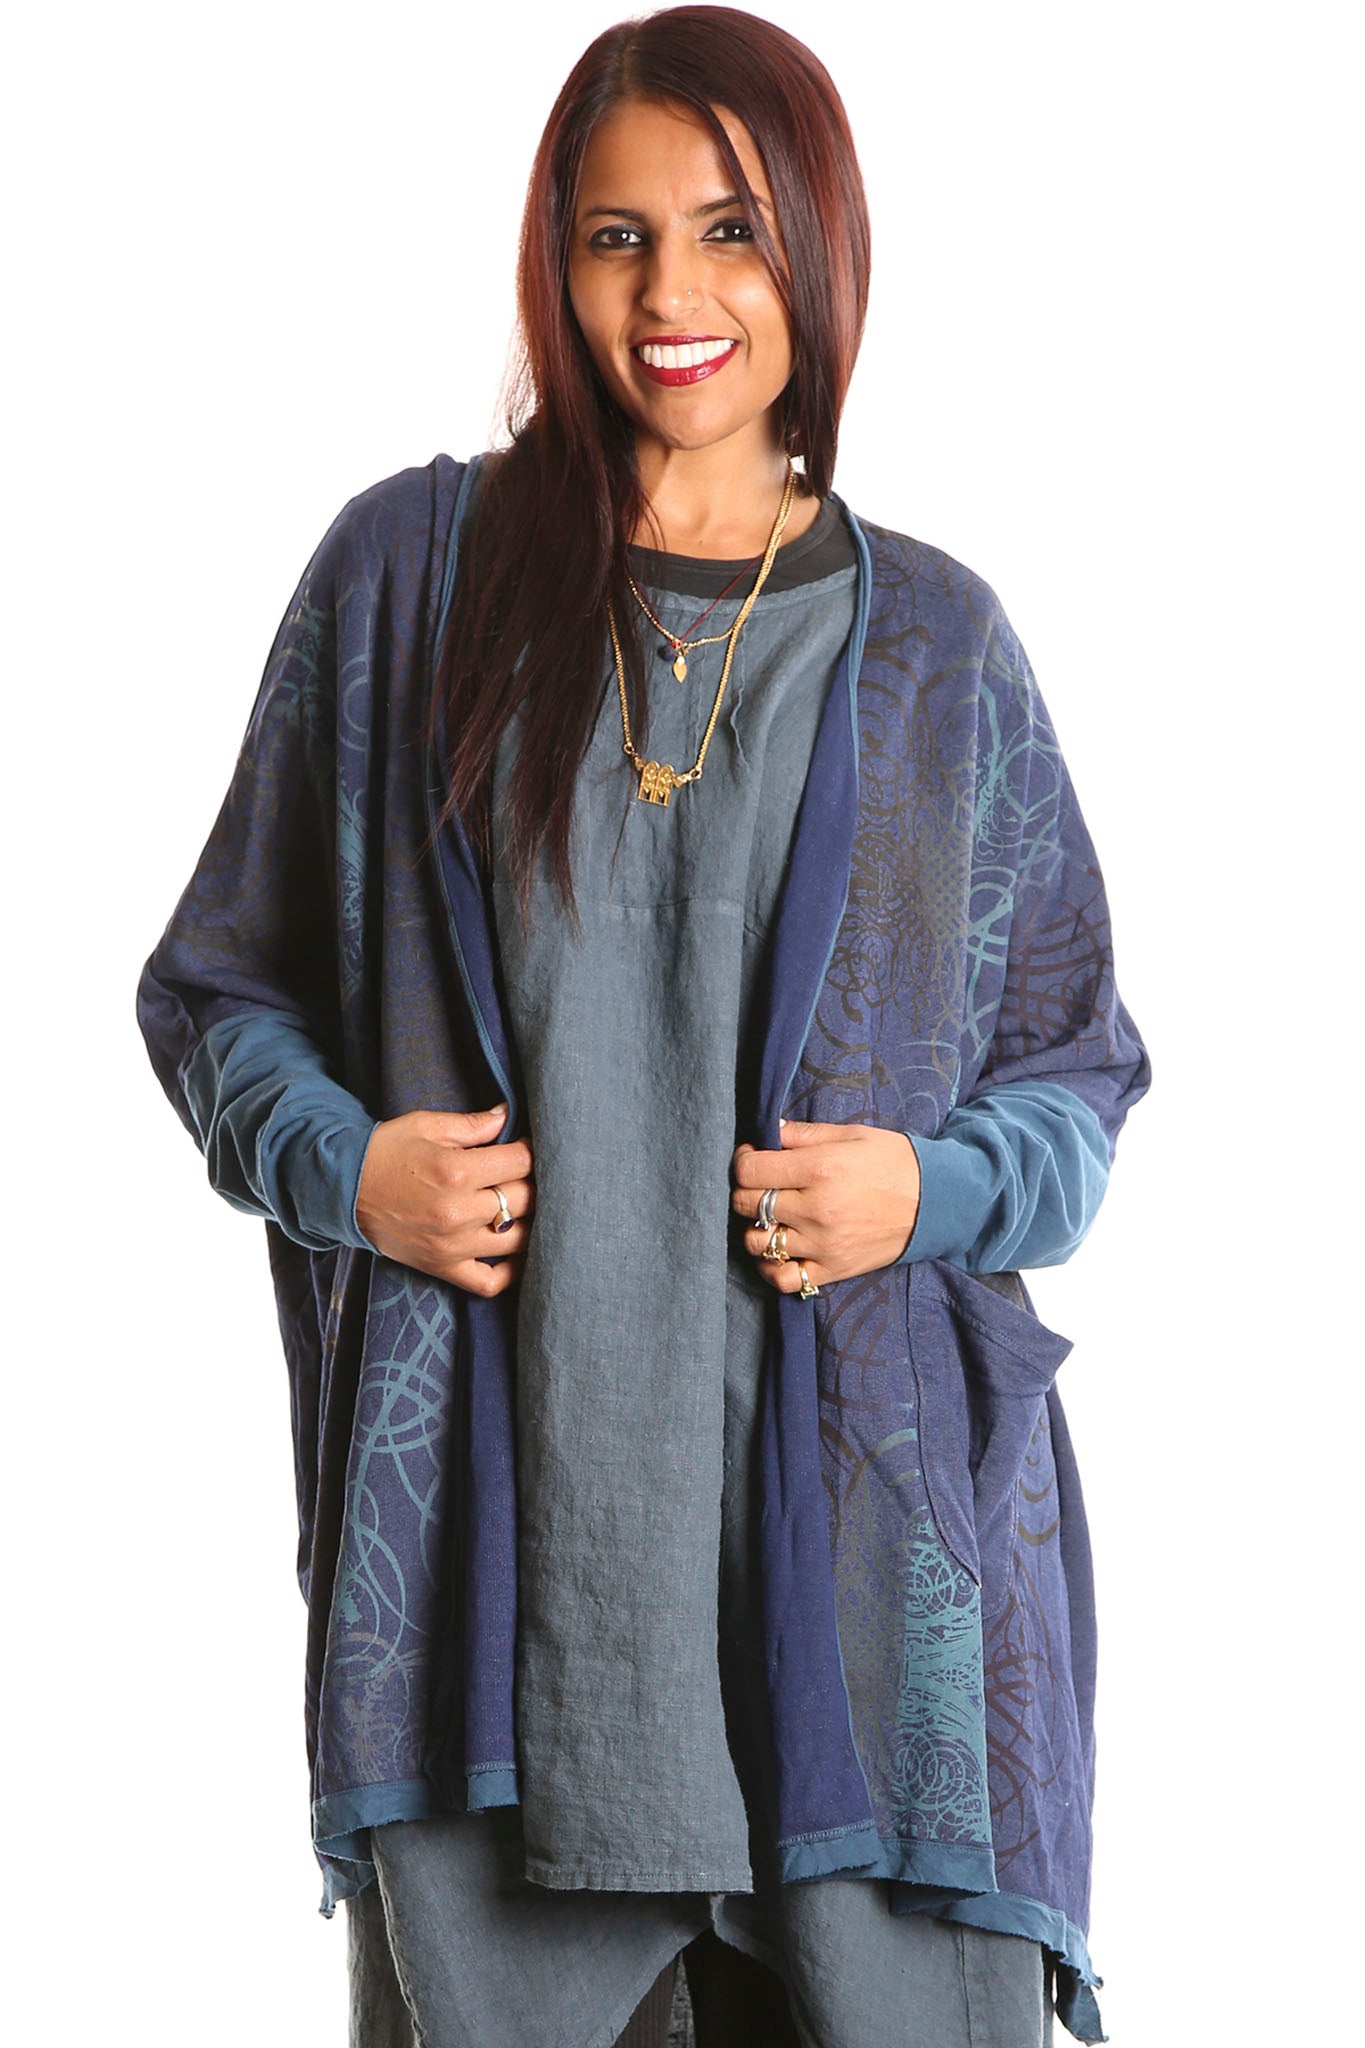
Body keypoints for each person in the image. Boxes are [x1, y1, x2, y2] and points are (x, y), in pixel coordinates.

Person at [137, 8, 1150, 2045]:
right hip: (514, 1648)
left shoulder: (935, 646)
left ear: (817, 250)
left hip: (863, 1641)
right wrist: (348, 1166)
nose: (672, 294)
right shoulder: (412, 583)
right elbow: (216, 987)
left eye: (728, 230)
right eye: (616, 237)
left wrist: (925, 1189)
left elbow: (1076, 1073)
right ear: (556, 260)